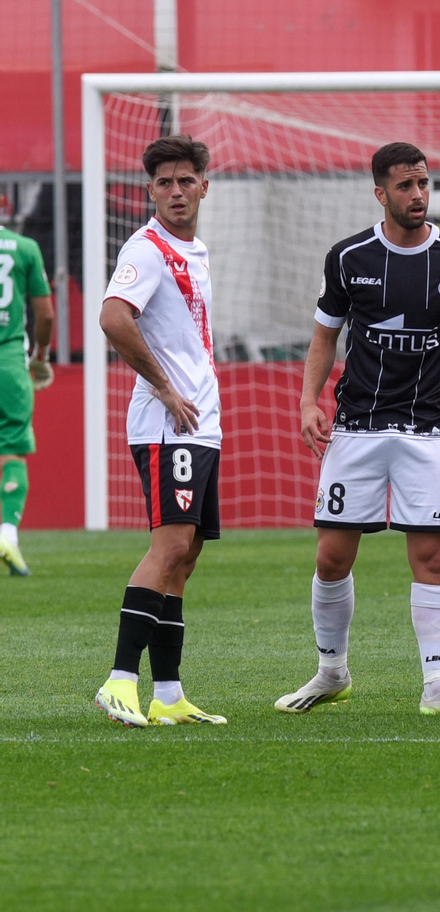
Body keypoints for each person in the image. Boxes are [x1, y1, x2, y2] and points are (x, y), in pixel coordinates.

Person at [276, 142, 440, 716]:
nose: (418, 196)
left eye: (424, 184)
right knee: (332, 557)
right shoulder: (348, 258)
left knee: (432, 558)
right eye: (405, 187)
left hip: (425, 435)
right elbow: (324, 336)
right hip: (354, 431)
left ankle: (439, 688)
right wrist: (309, 401)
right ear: (380, 193)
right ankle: (332, 672)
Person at [93, 135, 226, 727]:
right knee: (168, 546)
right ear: (152, 191)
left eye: (185, 181)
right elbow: (112, 317)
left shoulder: (193, 249)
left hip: (200, 425)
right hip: (167, 424)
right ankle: (120, 680)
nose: (176, 191)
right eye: (164, 183)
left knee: (187, 555)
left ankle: (168, 694)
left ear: (204, 184)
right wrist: (166, 389)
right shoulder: (146, 249)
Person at [0, 224, 55, 577]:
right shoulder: (24, 247)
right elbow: (46, 314)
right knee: (12, 451)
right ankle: (7, 535)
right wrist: (41, 355)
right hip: (9, 365)